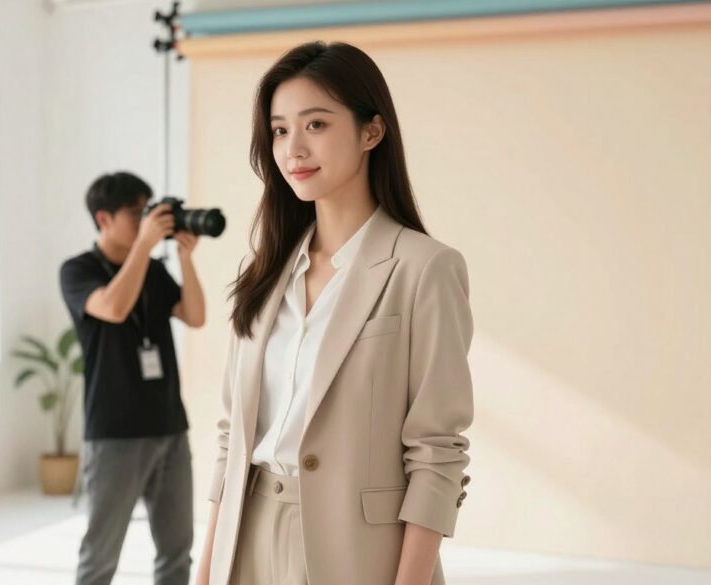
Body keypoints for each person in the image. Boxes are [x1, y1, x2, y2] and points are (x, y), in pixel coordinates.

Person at [196, 41, 475, 585]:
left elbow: (437, 453)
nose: (293, 148)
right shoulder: (267, 272)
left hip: (358, 551)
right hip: (246, 535)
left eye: (315, 124)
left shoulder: (424, 268)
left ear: (372, 132)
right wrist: (205, 571)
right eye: (279, 130)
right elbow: (232, 439)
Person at [60, 171, 206, 585]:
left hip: (170, 428)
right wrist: (144, 244)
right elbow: (113, 308)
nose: (145, 219)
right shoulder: (77, 270)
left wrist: (185, 259)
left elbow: (195, 316)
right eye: (135, 212)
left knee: (177, 552)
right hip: (115, 434)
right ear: (103, 219)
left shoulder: (154, 272)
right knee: (101, 557)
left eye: (148, 209)